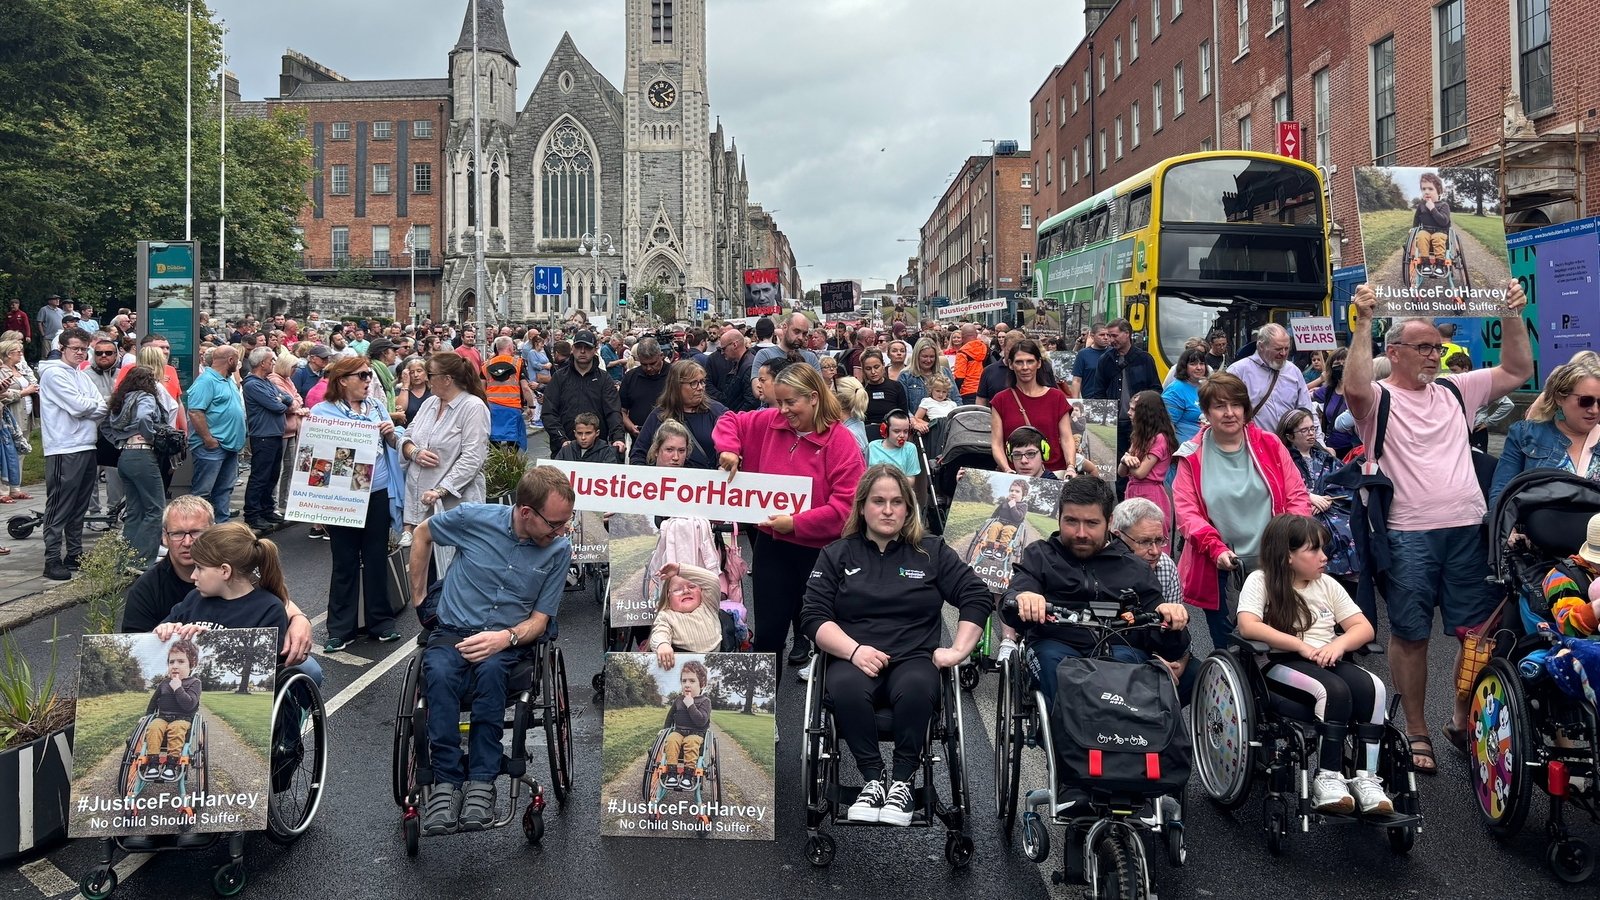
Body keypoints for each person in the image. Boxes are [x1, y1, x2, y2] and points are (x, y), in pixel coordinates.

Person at [1344, 280, 1531, 774]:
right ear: (1394, 352)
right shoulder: (1378, 398)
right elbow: (1354, 388)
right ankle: (1416, 729)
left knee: (1478, 635)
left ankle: (1461, 719)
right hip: (1408, 534)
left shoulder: (1454, 389)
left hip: (1468, 529)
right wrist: (1363, 321)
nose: (1434, 355)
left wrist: (1511, 313)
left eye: (1437, 347)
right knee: (1411, 635)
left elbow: (1518, 370)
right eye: (1424, 347)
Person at [801, 465, 989, 825]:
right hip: (854, 657)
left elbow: (975, 595)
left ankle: (902, 782)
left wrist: (957, 651)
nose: (888, 510)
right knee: (844, 687)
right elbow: (813, 615)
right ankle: (872, 780)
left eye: (897, 502)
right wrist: (854, 651)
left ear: (908, 508)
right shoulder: (837, 554)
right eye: (879, 501)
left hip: (914, 658)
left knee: (918, 685)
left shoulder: (931, 551)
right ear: (862, 507)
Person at [408, 467, 573, 835]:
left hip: (508, 639)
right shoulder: (473, 519)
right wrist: (419, 599)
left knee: (493, 672)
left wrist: (506, 638)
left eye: (566, 520)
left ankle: (482, 781)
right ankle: (446, 782)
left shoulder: (559, 549)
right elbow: (422, 534)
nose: (562, 530)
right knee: (438, 674)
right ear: (526, 513)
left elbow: (540, 620)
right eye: (556, 523)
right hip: (453, 630)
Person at [716, 364, 867, 679]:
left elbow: (846, 507)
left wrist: (797, 524)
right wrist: (729, 448)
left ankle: (830, 697)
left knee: (826, 632)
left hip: (821, 553)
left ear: (813, 397)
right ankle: (759, 706)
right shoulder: (770, 422)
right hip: (773, 547)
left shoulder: (841, 441)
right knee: (768, 635)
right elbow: (729, 420)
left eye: (790, 402)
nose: (783, 410)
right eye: (779, 401)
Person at [1237, 514, 1391, 815]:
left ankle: (1367, 778)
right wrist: (1299, 645)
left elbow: (1363, 628)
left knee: (1374, 687)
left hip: (1326, 657)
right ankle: (1328, 778)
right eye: (1314, 550)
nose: (1324, 557)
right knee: (1333, 691)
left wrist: (1338, 644)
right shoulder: (1261, 581)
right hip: (1281, 661)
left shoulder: (1327, 584)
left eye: (1323, 549)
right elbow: (1248, 625)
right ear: (1288, 556)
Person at [1003, 476, 1191, 711]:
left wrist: (1171, 620)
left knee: (1159, 677)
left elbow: (1170, 644)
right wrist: (1024, 598)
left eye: (1092, 523)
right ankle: (1073, 734)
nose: (1081, 533)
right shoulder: (1039, 556)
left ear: (1109, 522)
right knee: (1057, 671)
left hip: (1120, 651)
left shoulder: (1134, 567)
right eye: (1071, 521)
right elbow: (1013, 598)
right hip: (1056, 645)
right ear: (1059, 517)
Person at [1172, 372, 1311, 654]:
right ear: (1206, 412)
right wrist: (1215, 548)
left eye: (1236, 404)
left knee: (1284, 645)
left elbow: (1297, 496)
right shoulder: (1191, 454)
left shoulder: (1270, 444)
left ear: (1245, 409)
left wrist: (1292, 540)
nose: (1229, 412)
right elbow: (1188, 514)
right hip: (1222, 571)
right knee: (1232, 651)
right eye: (1219, 406)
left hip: (1277, 565)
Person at [313, 354, 407, 651]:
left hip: (377, 492)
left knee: (376, 557)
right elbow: (315, 456)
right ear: (343, 381)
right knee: (344, 560)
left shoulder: (376, 407)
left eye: (369, 375)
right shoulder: (322, 411)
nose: (369, 380)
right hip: (342, 496)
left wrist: (392, 433)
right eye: (363, 376)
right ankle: (341, 629)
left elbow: (392, 443)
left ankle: (381, 622)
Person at [399, 352, 491, 554]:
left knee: (451, 565)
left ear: (447, 379)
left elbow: (473, 458)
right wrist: (412, 451)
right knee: (426, 568)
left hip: (454, 507)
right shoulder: (430, 403)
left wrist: (440, 490)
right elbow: (407, 435)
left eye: (430, 374)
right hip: (421, 504)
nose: (426, 379)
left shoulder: (473, 407)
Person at [38, 327, 108, 580]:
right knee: (60, 505)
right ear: (62, 348)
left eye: (84, 349)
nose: (80, 353)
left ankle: (75, 554)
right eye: (75, 348)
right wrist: (90, 406)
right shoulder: (54, 374)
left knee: (80, 505)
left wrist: (89, 407)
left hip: (86, 444)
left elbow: (102, 405)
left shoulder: (80, 375)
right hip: (64, 447)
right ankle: (52, 558)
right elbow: (79, 406)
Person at [1489, 355, 1600, 506]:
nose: (1594, 410)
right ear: (1560, 398)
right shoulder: (1525, 435)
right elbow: (1501, 493)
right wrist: (1509, 523)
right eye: (1586, 401)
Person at [1276, 408, 1360, 598]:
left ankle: (1350, 593)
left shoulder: (1325, 456)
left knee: (1350, 530)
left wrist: (1328, 498)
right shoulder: (1282, 459)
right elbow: (1279, 489)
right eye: (1304, 430)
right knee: (1315, 538)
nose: (1311, 433)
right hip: (1300, 515)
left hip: (1334, 509)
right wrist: (1308, 497)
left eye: (1312, 428)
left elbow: (1345, 482)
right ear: (1289, 436)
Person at [101, 365, 170, 565]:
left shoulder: (121, 400)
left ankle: (126, 560)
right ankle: (143, 560)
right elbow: (143, 417)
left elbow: (105, 425)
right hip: (143, 455)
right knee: (155, 509)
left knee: (134, 511)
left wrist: (120, 439)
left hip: (125, 455)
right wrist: (151, 436)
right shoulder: (146, 397)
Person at [988, 339, 1075, 476]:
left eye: (1030, 361)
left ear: (1038, 363)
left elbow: (1067, 438)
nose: (1025, 367)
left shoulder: (1056, 397)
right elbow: (997, 444)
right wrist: (1007, 470)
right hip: (1016, 474)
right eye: (1019, 362)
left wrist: (1070, 466)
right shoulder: (1000, 400)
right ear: (1010, 364)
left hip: (1053, 473)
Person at [1092, 319, 1160, 495]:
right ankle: (1123, 504)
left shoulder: (1145, 359)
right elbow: (1098, 393)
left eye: (1114, 335)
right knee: (1119, 471)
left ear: (1127, 334)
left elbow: (1156, 390)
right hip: (1114, 425)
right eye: (1108, 335)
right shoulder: (1105, 360)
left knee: (1141, 466)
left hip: (1140, 425)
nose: (1110, 339)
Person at [1227, 323, 1320, 440]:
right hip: (1252, 444)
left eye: (1286, 348)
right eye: (1278, 349)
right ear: (1261, 346)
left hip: (1287, 445)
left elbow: (1307, 409)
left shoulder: (1293, 371)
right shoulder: (1238, 371)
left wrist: (1319, 441)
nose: (1283, 353)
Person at [186, 345, 246, 525]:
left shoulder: (227, 380)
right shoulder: (206, 381)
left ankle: (221, 529)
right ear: (230, 360)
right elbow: (195, 411)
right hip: (213, 447)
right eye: (237, 360)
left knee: (224, 489)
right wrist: (208, 439)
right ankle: (197, 529)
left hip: (229, 446)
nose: (238, 364)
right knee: (203, 492)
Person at [631, 359, 727, 468]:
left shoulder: (717, 412)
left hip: (706, 477)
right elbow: (638, 454)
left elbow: (730, 449)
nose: (700, 388)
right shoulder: (659, 415)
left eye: (702, 382)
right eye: (693, 383)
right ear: (677, 386)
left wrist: (722, 468)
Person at [544, 331, 626, 457]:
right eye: (578, 347)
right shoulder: (559, 377)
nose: (582, 351)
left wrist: (618, 438)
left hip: (597, 451)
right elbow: (549, 412)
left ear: (595, 350)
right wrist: (561, 439)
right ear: (572, 349)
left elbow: (613, 411)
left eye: (587, 347)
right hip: (563, 448)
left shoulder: (604, 379)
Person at [135, 637, 202, 783]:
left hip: (183, 719)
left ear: (192, 664)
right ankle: (153, 764)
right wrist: (147, 715)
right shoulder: (164, 683)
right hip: (163, 717)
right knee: (154, 727)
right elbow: (153, 702)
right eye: (171, 662)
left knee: (176, 728)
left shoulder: (194, 683)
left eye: (181, 661)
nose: (175, 666)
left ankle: (171, 765)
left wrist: (178, 688)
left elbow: (189, 705)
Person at [242, 348, 293, 531]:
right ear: (262, 363)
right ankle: (252, 514)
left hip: (275, 434)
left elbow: (288, 398)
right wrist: (279, 400)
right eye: (271, 360)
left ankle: (267, 509)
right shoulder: (252, 384)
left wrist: (280, 399)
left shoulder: (267, 382)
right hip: (263, 435)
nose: (273, 363)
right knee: (260, 476)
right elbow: (277, 406)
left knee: (272, 475)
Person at [1120, 389, 1178, 533]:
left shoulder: (1160, 438)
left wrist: (1127, 460)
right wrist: (1125, 459)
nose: (1128, 412)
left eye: (1133, 409)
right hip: (1133, 490)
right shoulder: (1139, 436)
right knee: (1131, 535)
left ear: (1146, 413)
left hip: (1150, 493)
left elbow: (1140, 473)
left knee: (1149, 534)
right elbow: (1121, 473)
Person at [654, 659, 714, 792]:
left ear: (702, 684)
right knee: (671, 739)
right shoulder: (678, 700)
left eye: (692, 681)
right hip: (679, 732)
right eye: (684, 681)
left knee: (691, 742)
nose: (687, 684)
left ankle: (688, 775)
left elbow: (701, 721)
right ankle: (672, 773)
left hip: (696, 734)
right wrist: (665, 730)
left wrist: (690, 705)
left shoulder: (705, 701)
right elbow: (670, 716)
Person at [650, 563, 724, 671]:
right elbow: (659, 632)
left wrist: (680, 569)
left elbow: (713, 580)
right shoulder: (666, 616)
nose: (686, 591)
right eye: (677, 590)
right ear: (668, 597)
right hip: (685, 668)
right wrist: (662, 644)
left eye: (692, 586)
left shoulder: (708, 605)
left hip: (717, 665)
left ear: (701, 591)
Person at [269, 355, 309, 520]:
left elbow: (297, 399)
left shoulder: (288, 380)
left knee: (290, 467)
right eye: (293, 367)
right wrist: (294, 402)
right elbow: (289, 405)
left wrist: (294, 402)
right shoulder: (275, 380)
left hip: (292, 429)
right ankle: (274, 504)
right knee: (277, 470)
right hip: (281, 431)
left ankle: (285, 501)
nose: (295, 371)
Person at [1, 338, 40, 504]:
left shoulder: (20, 368)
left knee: (21, 450)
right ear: (9, 354)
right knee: (7, 452)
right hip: (11, 415)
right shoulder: (2, 371)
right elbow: (3, 395)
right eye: (18, 351)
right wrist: (24, 392)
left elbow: (32, 383)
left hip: (26, 415)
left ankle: (15, 487)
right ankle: (4, 489)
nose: (21, 354)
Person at [482, 337, 533, 449]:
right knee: (513, 441)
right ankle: (511, 459)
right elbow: (525, 388)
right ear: (510, 347)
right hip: (512, 408)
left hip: (492, 408)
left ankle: (495, 460)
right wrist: (531, 406)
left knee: (494, 440)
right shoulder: (518, 363)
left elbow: (481, 388)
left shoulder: (486, 365)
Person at [620, 337, 671, 441]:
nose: (648, 368)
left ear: (661, 356)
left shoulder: (674, 375)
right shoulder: (631, 377)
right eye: (644, 364)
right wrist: (630, 427)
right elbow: (621, 410)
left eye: (653, 363)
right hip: (639, 438)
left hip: (670, 438)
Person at [1313, 348, 1355, 460]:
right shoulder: (1328, 389)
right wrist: (1319, 380)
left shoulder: (1359, 391)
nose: (1341, 367)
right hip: (1331, 448)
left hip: (1353, 449)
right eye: (1337, 364)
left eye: (1345, 363)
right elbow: (1303, 395)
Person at [1409, 172, 1452, 282]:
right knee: (1421, 235)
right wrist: (1413, 228)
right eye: (1424, 189)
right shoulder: (1421, 205)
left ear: (1439, 190)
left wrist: (1432, 209)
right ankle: (1425, 263)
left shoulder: (1444, 205)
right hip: (1426, 231)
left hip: (1441, 232)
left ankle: (1440, 265)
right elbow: (1417, 219)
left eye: (1430, 189)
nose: (1426, 192)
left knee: (1437, 237)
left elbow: (1444, 221)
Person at [1162, 347, 1208, 445]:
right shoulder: (1175, 390)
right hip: (1185, 448)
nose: (1199, 367)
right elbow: (1166, 426)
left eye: (1202, 363)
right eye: (1193, 364)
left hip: (1204, 445)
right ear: (1184, 367)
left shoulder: (1205, 386)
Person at [706, 327, 757, 412]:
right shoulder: (741, 363)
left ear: (735, 345)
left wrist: (735, 417)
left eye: (723, 349)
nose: (722, 353)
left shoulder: (748, 366)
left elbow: (751, 402)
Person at [859, 350, 908, 429]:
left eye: (876, 367)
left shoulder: (896, 386)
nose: (873, 372)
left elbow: (904, 414)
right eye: (868, 368)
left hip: (893, 430)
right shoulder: (861, 390)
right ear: (863, 370)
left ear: (883, 365)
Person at [867, 409, 920, 478]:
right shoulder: (872, 446)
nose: (902, 435)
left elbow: (911, 479)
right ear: (885, 430)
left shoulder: (910, 448)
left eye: (906, 431)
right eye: (896, 431)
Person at [554, 412, 623, 464]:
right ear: (575, 433)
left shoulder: (607, 452)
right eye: (579, 433)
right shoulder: (566, 450)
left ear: (597, 433)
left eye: (588, 433)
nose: (583, 437)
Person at [1071, 321, 1109, 399]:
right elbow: (1077, 380)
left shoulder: (1113, 353)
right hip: (1090, 400)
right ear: (1092, 336)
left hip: (1111, 400)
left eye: (1108, 335)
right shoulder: (1083, 354)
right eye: (1102, 335)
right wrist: (1075, 401)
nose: (1106, 337)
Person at [952, 323, 988, 403]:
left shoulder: (963, 352)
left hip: (967, 392)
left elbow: (959, 377)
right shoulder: (985, 348)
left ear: (962, 337)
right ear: (976, 335)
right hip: (985, 390)